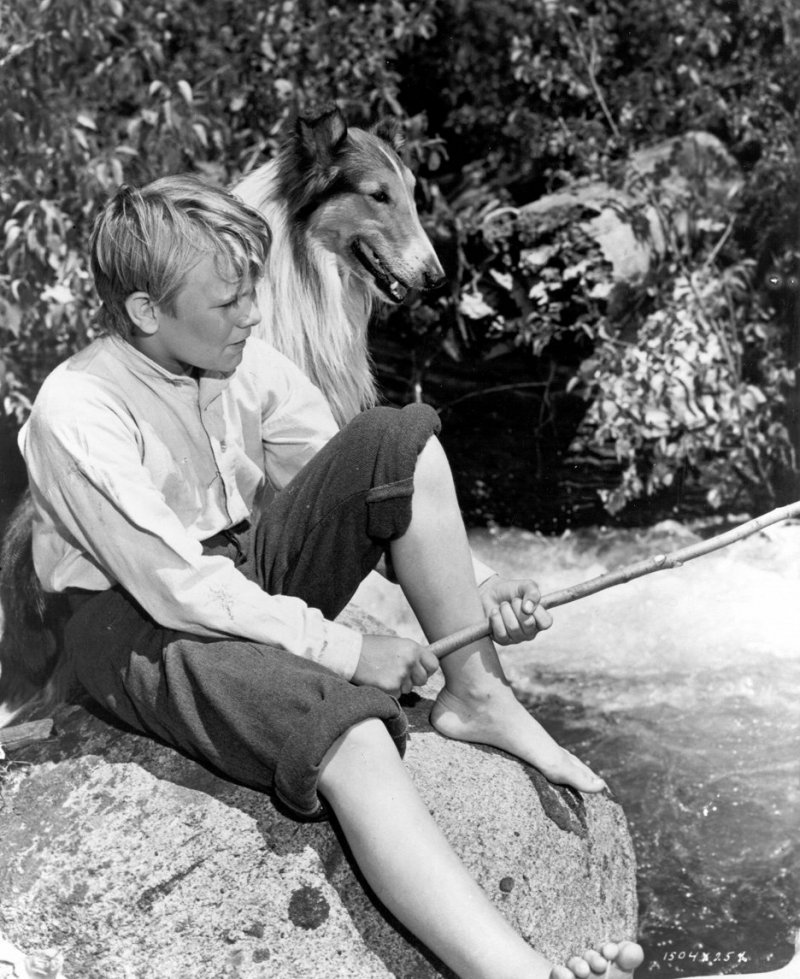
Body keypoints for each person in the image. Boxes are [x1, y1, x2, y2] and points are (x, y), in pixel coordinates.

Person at [19, 176, 643, 979]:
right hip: (128, 616)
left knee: (396, 442)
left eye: (253, 291)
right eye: (228, 302)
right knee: (346, 728)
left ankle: (477, 695)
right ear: (145, 311)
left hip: (238, 565)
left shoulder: (240, 357)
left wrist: (481, 585)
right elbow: (178, 587)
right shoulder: (77, 409)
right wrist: (345, 650)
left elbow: (349, 475)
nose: (253, 315)